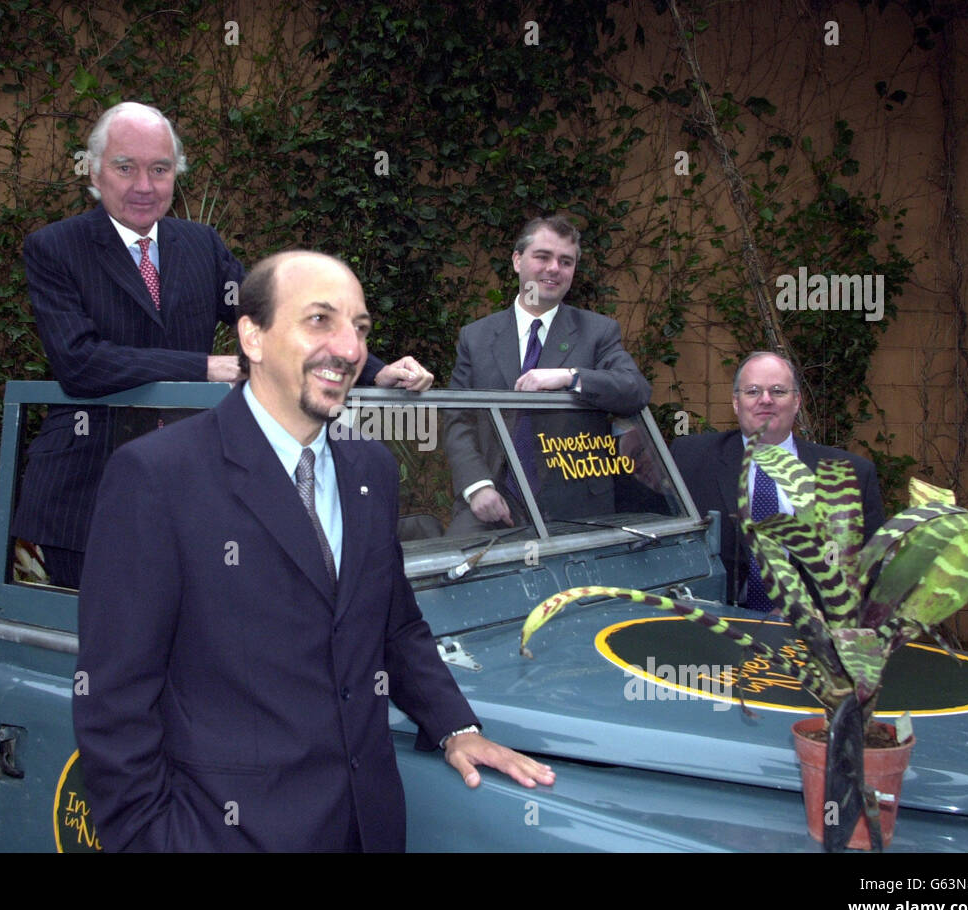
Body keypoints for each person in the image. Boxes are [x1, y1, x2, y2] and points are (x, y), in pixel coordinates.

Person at [73, 251, 555, 852]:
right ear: (252, 335)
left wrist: (455, 725)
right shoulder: (158, 477)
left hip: (365, 826)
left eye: (360, 328)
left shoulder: (371, 470)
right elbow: (114, 698)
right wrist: (155, 838)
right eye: (320, 321)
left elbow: (393, 623)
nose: (350, 349)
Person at [11, 102, 433, 588]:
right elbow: (78, 362)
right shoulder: (54, 247)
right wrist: (203, 367)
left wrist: (375, 370)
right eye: (126, 168)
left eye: (160, 169)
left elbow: (275, 319)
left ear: (176, 174)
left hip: (193, 485)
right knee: (106, 648)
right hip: (87, 488)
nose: (144, 185)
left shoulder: (201, 244)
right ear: (94, 170)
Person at [444, 215, 651, 533]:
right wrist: (477, 486)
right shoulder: (476, 337)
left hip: (575, 507)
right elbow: (457, 418)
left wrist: (571, 377)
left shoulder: (598, 332)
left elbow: (635, 389)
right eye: (543, 257)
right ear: (517, 261)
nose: (554, 268)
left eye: (565, 261)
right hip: (493, 504)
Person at [668, 351, 885, 610]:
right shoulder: (688, 458)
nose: (766, 400)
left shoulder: (850, 474)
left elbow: (869, 570)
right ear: (736, 402)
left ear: (797, 401)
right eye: (753, 391)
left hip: (811, 635)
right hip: (715, 627)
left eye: (778, 391)